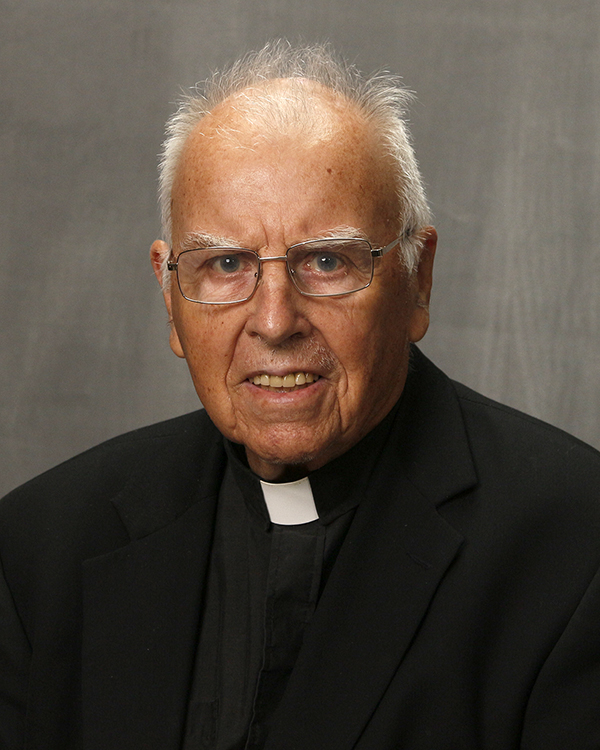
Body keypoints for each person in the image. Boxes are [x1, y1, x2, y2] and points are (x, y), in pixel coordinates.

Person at [1, 41, 600, 750]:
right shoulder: (38, 550)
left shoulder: (575, 549)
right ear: (169, 294)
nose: (275, 321)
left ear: (418, 280)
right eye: (226, 263)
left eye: (326, 260)